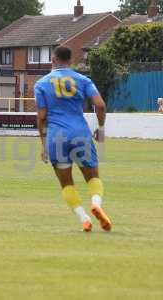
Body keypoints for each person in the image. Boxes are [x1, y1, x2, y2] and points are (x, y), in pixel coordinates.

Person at [35, 46, 112, 232]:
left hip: (56, 136)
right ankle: (96, 204)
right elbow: (100, 106)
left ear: (53, 60)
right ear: (71, 60)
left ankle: (84, 218)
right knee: (93, 177)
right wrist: (100, 129)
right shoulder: (83, 80)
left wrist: (44, 145)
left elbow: (42, 116)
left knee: (66, 182)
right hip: (80, 134)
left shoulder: (41, 84)